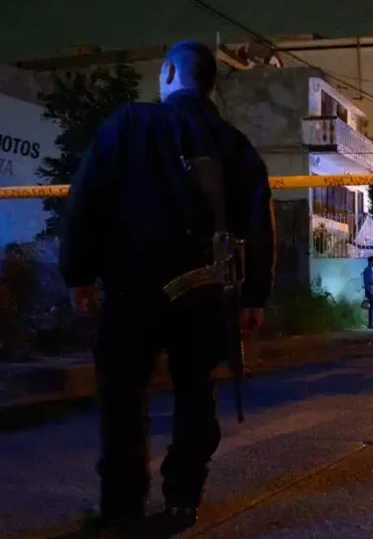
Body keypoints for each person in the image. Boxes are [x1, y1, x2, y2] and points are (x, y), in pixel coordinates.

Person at [59, 41, 275, 532]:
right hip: (204, 292)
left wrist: (78, 273)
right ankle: (182, 499)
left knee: (122, 398)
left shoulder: (129, 124)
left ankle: (122, 507)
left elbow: (85, 198)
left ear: (171, 73)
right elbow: (259, 224)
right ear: (209, 84)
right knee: (196, 394)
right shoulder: (233, 143)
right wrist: (255, 294)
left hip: (132, 287)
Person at [362, 256, 373, 329]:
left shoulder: (371, 269)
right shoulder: (369, 270)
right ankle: (371, 324)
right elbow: (371, 281)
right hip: (372, 290)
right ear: (370, 262)